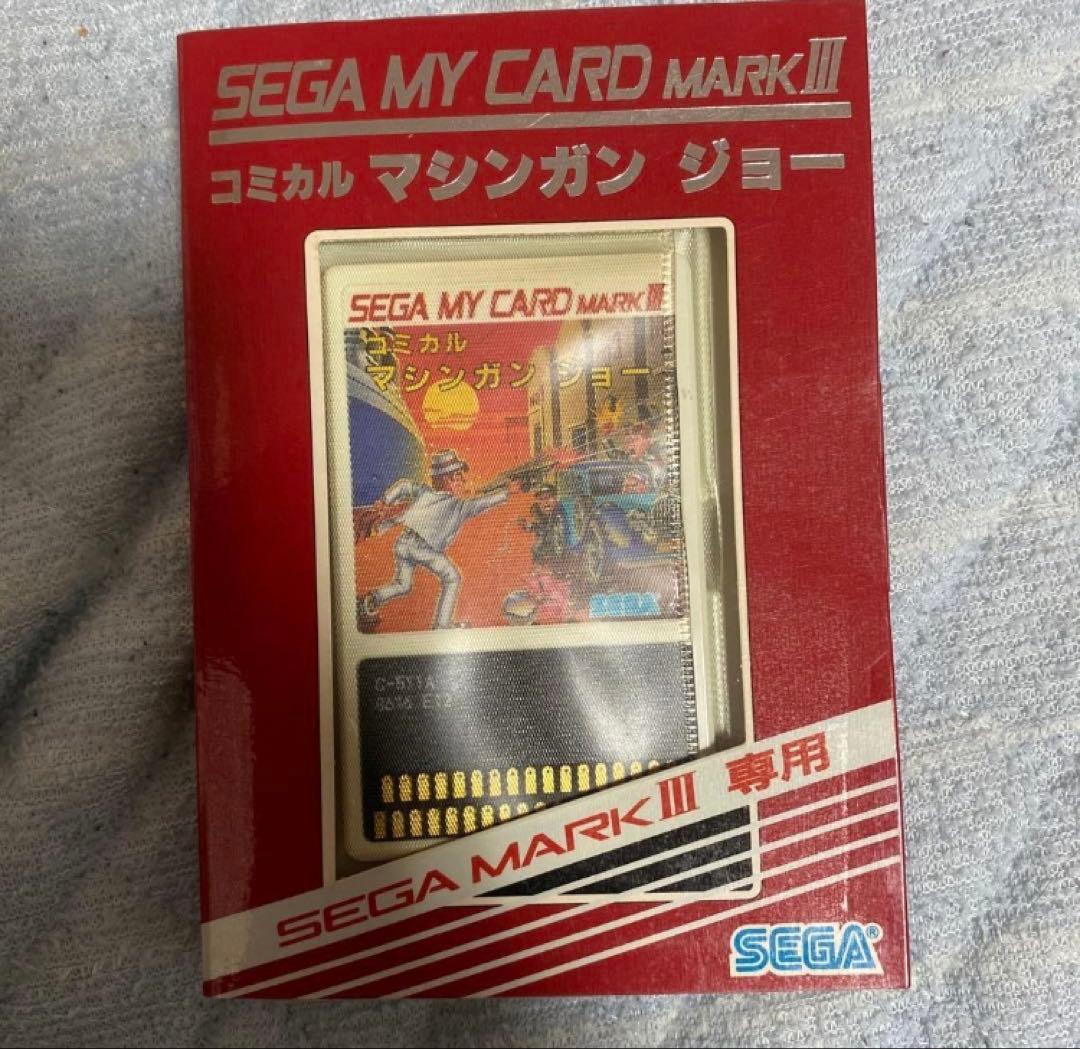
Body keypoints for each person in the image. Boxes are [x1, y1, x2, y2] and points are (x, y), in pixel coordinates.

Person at [359, 449, 510, 630]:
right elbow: (482, 503)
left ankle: (372, 599)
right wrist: (507, 493)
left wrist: (386, 500)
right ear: (446, 479)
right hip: (422, 549)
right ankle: (442, 625)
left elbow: (404, 485)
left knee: (403, 584)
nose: (462, 481)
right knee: (452, 577)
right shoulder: (458, 506)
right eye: (458, 477)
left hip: (403, 543)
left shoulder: (425, 492)